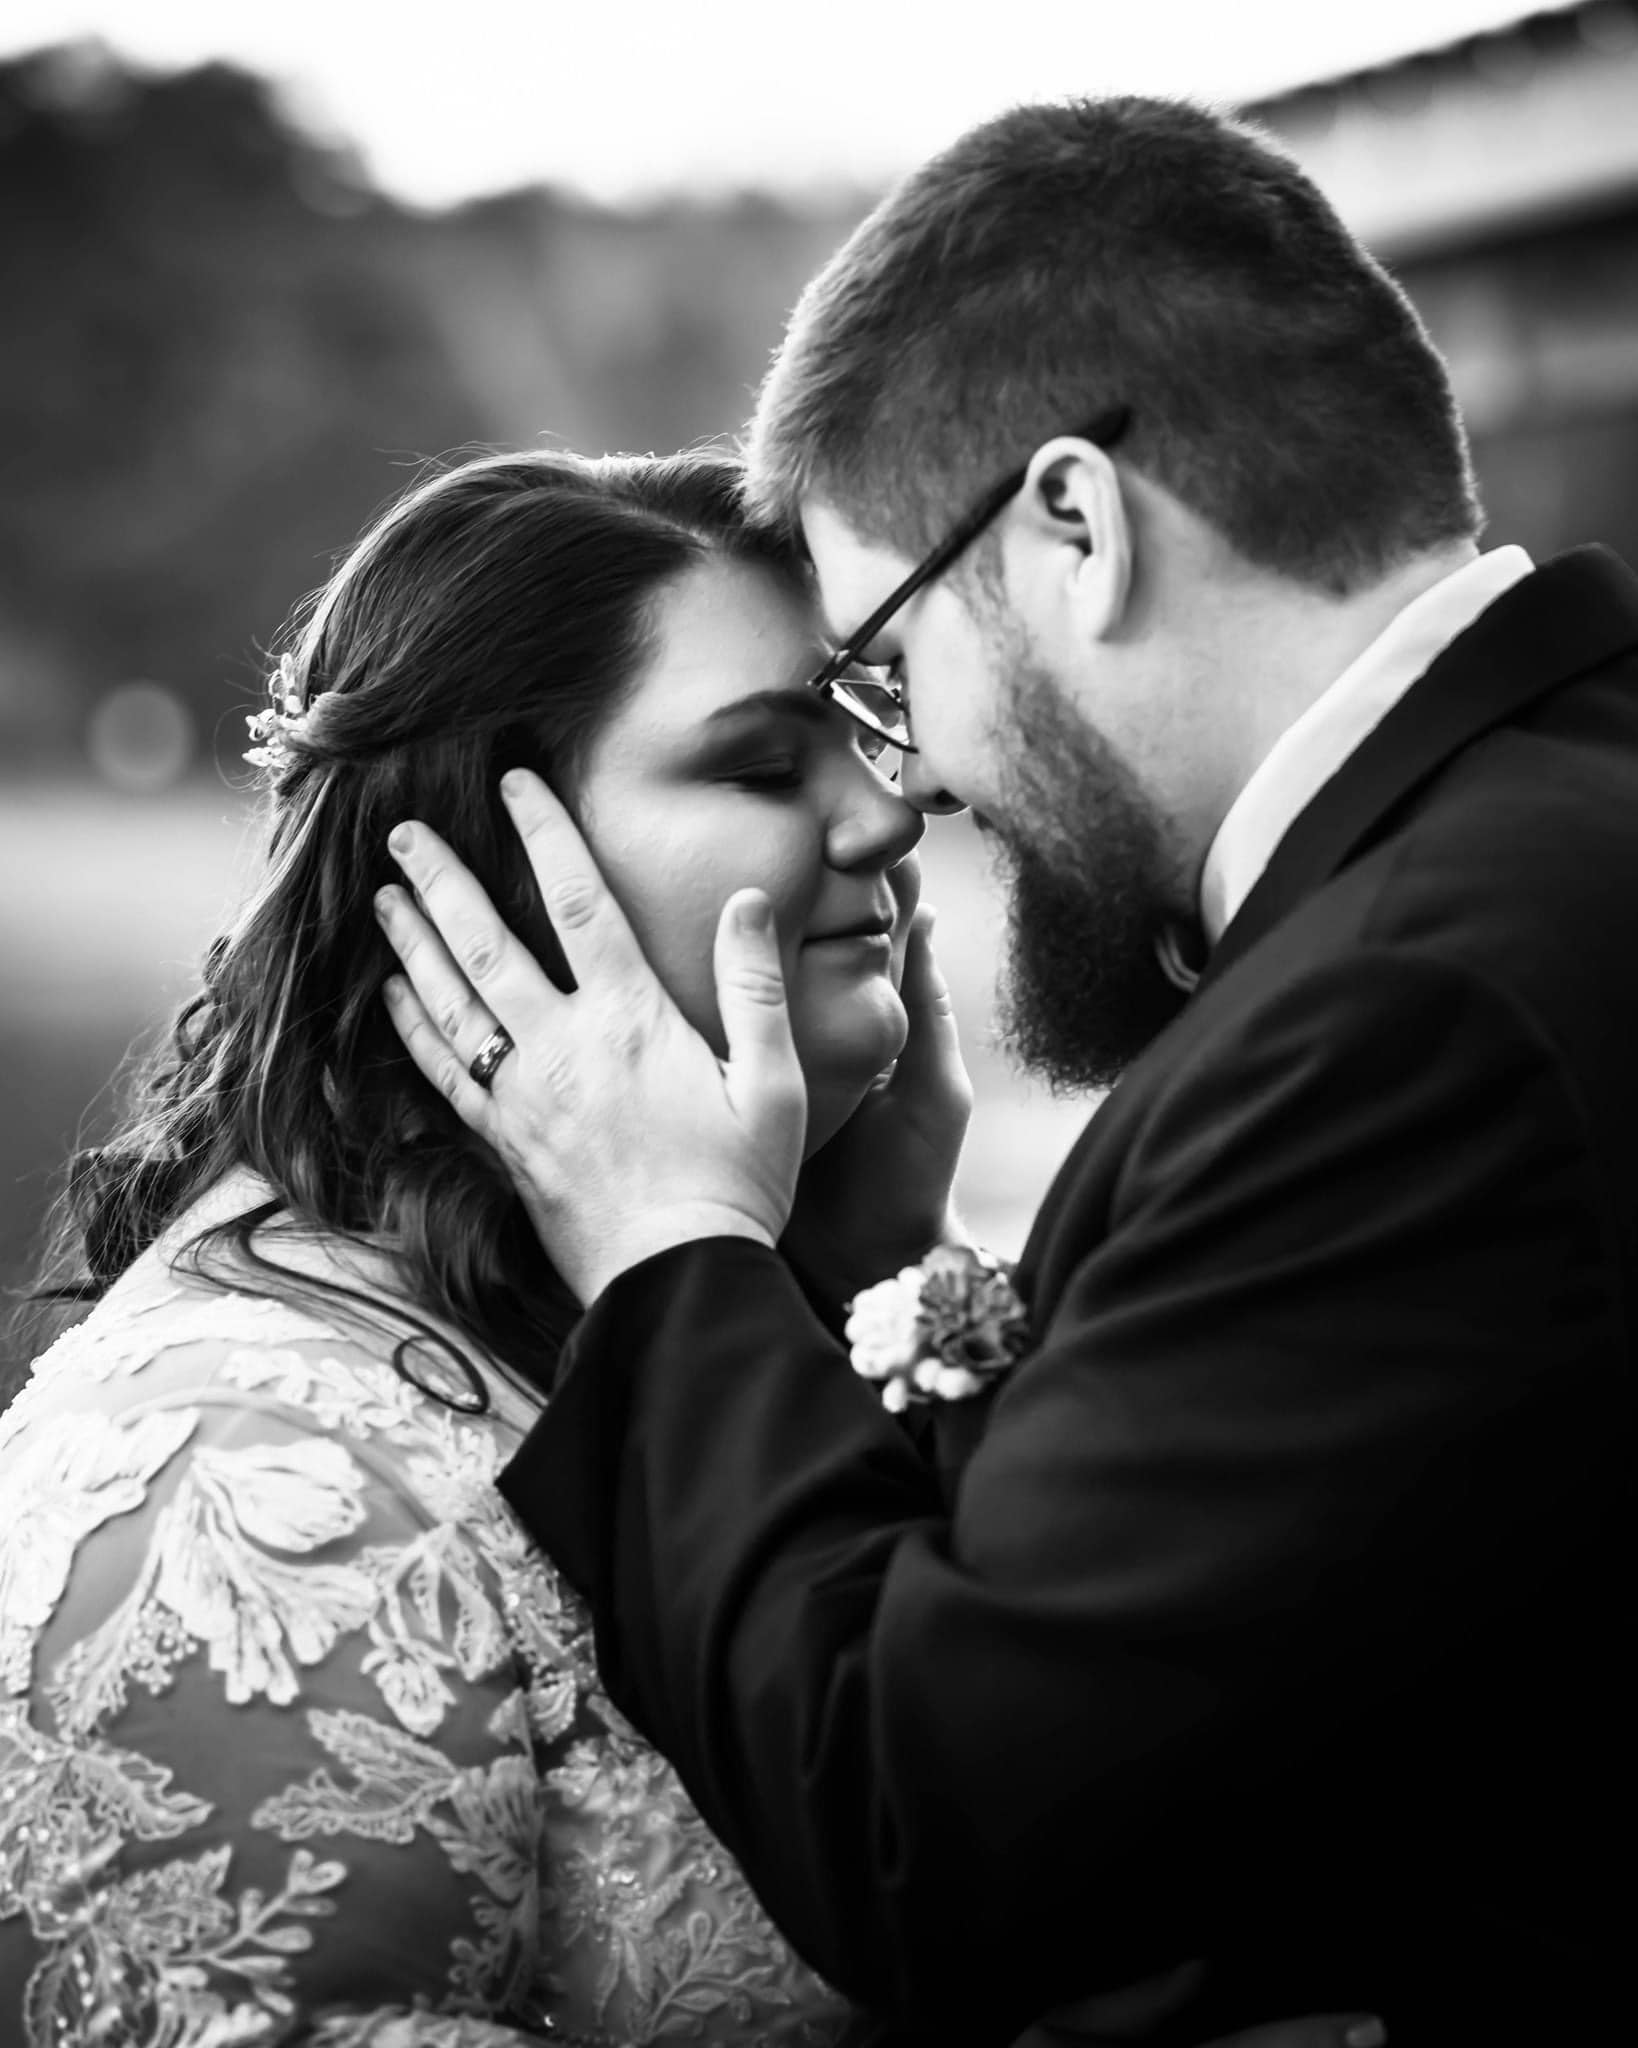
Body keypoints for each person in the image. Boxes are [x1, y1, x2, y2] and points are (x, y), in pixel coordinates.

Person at [377, 97, 1634, 2047]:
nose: (912, 782)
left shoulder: (1409, 1011)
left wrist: (672, 1246)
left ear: (1074, 522)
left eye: (883, 666)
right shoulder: (1558, 831)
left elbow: (939, 1840)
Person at [0, 448, 919, 2047]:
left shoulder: (724, 1298)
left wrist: (863, 1270)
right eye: (771, 766)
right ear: (486, 871)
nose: (889, 811)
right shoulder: (250, 1481)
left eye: (864, 732)